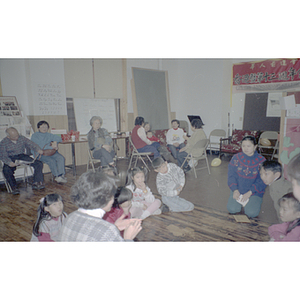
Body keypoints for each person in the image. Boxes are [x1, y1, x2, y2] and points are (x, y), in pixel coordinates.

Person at [58, 170, 142, 241]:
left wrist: (115, 227)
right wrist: (128, 239)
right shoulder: (107, 230)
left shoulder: (70, 217)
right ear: (106, 198)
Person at [227, 135, 266, 218]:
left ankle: (252, 202)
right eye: (243, 146)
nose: (245, 148)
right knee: (232, 209)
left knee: (252, 213)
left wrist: (250, 192)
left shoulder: (262, 161)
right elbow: (231, 176)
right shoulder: (236, 158)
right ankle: (241, 202)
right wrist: (235, 190)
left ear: (255, 147)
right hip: (238, 190)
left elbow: (262, 181)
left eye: (249, 146)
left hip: (254, 192)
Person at [0, 127, 45, 194]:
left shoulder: (21, 138)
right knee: (6, 170)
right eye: (14, 137)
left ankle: (36, 183)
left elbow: (31, 144)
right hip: (11, 157)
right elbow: (3, 155)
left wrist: (38, 149)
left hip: (21, 155)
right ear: (8, 137)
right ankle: (14, 187)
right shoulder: (3, 142)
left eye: (17, 135)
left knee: (38, 163)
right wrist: (9, 162)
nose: (17, 137)